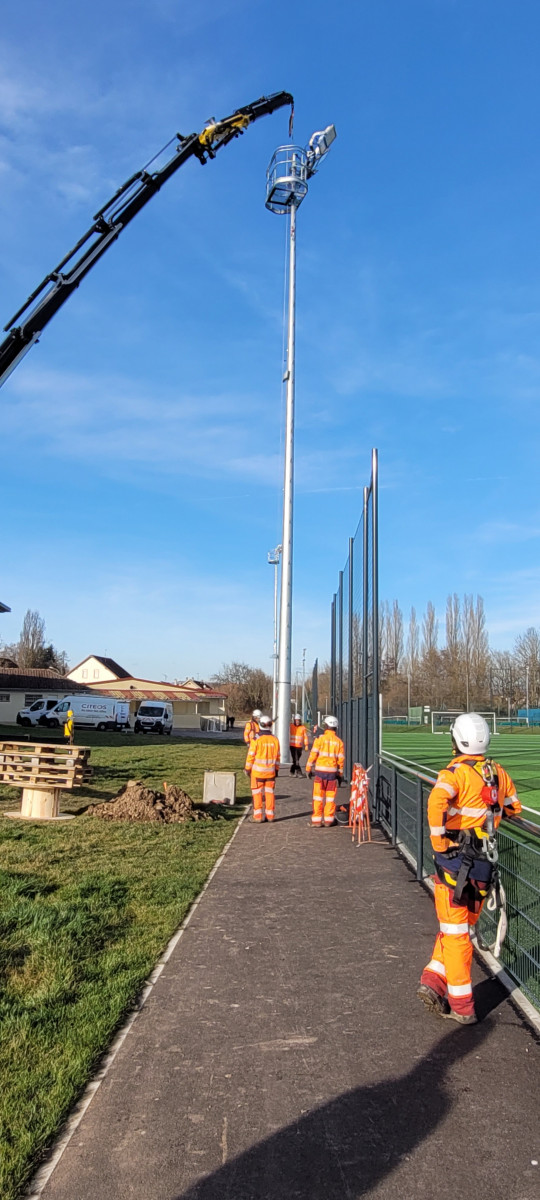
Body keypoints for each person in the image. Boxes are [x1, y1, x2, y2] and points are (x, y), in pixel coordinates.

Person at [418, 712, 522, 1025]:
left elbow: (436, 802)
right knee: (456, 930)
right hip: (482, 868)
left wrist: (439, 842)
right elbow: (513, 806)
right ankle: (434, 979)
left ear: (456, 740)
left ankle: (462, 1005)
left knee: (455, 933)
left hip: (454, 866)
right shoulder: (497, 772)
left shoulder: (453, 774)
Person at [306, 715, 344, 827]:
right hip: (332, 775)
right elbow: (340, 760)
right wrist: (340, 774)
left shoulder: (320, 739)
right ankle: (328, 820)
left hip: (320, 774)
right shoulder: (339, 742)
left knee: (318, 797)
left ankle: (317, 821)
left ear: (326, 726)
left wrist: (308, 768)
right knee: (330, 798)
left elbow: (313, 755)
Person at [245, 715, 280, 823]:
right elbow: (278, 757)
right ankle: (270, 815)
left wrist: (247, 768)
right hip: (270, 773)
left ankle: (258, 816)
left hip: (258, 773)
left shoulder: (256, 739)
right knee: (269, 793)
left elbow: (251, 755)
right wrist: (277, 769)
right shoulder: (275, 739)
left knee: (257, 793)